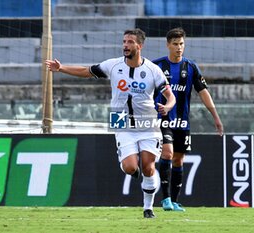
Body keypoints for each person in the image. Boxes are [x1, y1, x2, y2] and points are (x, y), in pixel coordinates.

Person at [46, 28, 176, 218]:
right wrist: (61, 68)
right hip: (121, 119)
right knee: (131, 168)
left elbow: (170, 96)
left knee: (149, 167)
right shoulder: (113, 65)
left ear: (139, 46)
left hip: (148, 121)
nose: (125, 45)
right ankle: (129, 162)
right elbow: (86, 71)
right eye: (124, 41)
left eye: (130, 42)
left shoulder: (153, 70)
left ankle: (148, 208)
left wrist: (168, 107)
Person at [153, 27, 224, 212]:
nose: (179, 47)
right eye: (175, 44)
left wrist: (215, 116)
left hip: (182, 122)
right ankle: (166, 199)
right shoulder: (157, 66)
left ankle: (175, 201)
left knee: (179, 160)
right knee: (167, 153)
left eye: (181, 44)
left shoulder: (190, 67)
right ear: (168, 45)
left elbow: (203, 92)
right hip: (162, 119)